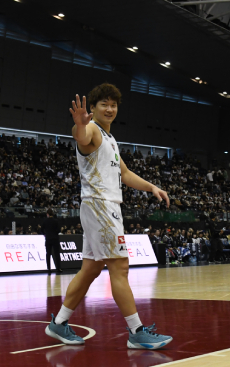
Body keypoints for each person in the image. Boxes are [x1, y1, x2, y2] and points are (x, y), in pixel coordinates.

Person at [45, 85, 172, 349]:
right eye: (104, 104)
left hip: (101, 207)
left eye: (113, 104)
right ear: (93, 108)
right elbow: (81, 136)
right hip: (100, 206)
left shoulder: (111, 140)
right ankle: (136, 332)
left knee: (91, 269)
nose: (110, 109)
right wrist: (79, 125)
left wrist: (151, 187)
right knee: (120, 267)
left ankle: (58, 324)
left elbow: (124, 174)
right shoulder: (91, 129)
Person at [41, 208, 62, 273]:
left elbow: (41, 230)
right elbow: (59, 230)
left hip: (48, 239)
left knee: (48, 254)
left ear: (47, 214)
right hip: (55, 238)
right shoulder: (56, 221)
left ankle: (49, 268)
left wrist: (45, 234)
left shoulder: (45, 221)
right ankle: (58, 268)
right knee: (57, 254)